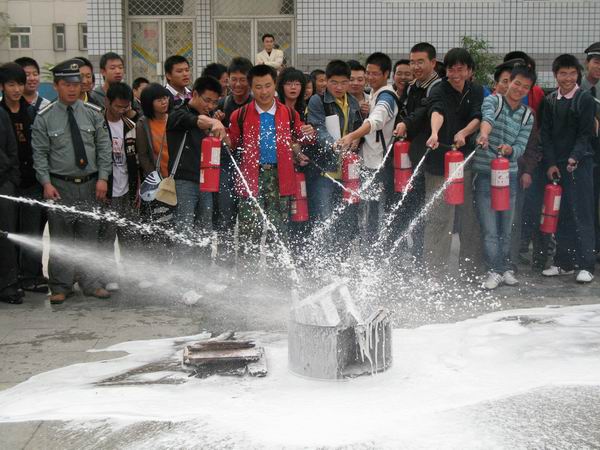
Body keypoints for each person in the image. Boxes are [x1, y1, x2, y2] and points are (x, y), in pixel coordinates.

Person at [31, 58, 112, 304]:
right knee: (61, 238)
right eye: (67, 84)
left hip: (90, 184)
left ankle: (91, 283)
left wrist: (103, 178)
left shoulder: (93, 113)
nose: (72, 89)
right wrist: (46, 183)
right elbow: (40, 154)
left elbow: (104, 148)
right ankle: (60, 286)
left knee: (90, 236)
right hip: (60, 185)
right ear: (56, 86)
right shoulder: (45, 117)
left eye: (76, 84)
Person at [228, 64, 314, 268]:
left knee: (279, 232)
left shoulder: (289, 113)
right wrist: (221, 133)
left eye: (268, 85)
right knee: (249, 231)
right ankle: (246, 276)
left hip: (280, 178)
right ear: (251, 88)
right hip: (251, 178)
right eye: (258, 87)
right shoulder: (240, 115)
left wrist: (309, 133)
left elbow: (303, 138)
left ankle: (279, 278)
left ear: (275, 84)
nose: (264, 91)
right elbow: (232, 143)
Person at [474, 66, 535, 289]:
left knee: (506, 228)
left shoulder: (527, 115)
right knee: (490, 229)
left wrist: (511, 150)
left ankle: (505, 268)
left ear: (529, 90)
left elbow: (521, 145)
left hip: (509, 177)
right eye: (516, 83)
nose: (519, 89)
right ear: (508, 82)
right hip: (485, 174)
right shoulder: (493, 101)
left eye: (525, 87)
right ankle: (494, 270)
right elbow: (488, 119)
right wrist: (484, 134)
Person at [424, 48, 483, 273]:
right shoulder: (438, 89)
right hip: (439, 164)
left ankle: (470, 268)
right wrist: (434, 133)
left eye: (461, 69)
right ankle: (434, 271)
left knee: (468, 216)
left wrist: (464, 132)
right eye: (451, 69)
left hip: (464, 163)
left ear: (469, 71)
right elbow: (436, 111)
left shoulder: (476, 90)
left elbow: (478, 116)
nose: (456, 74)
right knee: (439, 217)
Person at [541, 54, 596, 283]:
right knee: (561, 213)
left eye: (572, 73)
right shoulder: (549, 101)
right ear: (555, 75)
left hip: (580, 165)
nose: (568, 78)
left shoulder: (585, 99)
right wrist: (551, 163)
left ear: (578, 75)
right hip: (558, 166)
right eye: (563, 73)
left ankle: (586, 265)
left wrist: (575, 157)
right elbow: (545, 135)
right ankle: (564, 263)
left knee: (582, 213)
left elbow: (586, 134)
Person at [336, 52, 399, 254]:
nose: (370, 78)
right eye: (368, 73)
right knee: (366, 211)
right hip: (367, 162)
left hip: (378, 165)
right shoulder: (373, 94)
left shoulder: (387, 97)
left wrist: (352, 136)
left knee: (374, 213)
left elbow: (376, 121)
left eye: (375, 74)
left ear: (386, 74)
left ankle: (374, 255)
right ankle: (368, 251)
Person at [305, 60, 363, 261]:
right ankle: (324, 260)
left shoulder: (353, 102)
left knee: (346, 217)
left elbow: (358, 129)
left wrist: (356, 139)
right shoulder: (318, 101)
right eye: (334, 82)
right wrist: (334, 144)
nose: (339, 87)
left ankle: (342, 260)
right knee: (324, 216)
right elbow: (318, 128)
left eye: (344, 82)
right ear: (326, 81)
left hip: (348, 170)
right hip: (324, 170)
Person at [391, 42, 441, 262]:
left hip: (431, 157)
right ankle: (411, 251)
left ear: (433, 62)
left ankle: (422, 255)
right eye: (413, 62)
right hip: (412, 155)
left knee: (424, 209)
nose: (415, 66)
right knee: (409, 203)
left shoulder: (437, 87)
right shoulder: (413, 86)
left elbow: (423, 111)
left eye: (421, 62)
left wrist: (406, 123)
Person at [166, 76, 226, 261]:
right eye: (207, 100)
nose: (210, 105)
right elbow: (195, 121)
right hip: (184, 182)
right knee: (184, 230)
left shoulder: (211, 119)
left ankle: (203, 270)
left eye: (215, 102)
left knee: (205, 230)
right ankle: (183, 273)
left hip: (206, 183)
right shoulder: (178, 113)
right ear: (195, 94)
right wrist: (213, 122)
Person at [0, 63, 47, 293]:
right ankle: (10, 279)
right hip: (7, 181)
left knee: (32, 230)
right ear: (2, 87)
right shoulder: (1, 113)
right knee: (9, 231)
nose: (17, 89)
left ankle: (31, 275)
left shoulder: (31, 112)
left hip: (31, 181)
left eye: (20, 84)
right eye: (11, 84)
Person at [98, 82, 139, 291]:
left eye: (126, 107)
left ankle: (132, 275)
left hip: (127, 189)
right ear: (107, 102)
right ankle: (108, 276)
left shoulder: (131, 126)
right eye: (118, 106)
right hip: (107, 189)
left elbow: (136, 160)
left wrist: (137, 188)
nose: (122, 110)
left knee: (130, 235)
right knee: (106, 235)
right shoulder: (98, 124)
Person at [213, 56, 253, 266]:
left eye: (242, 80)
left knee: (248, 221)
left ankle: (246, 267)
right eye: (233, 79)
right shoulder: (221, 104)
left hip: (249, 167)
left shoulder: (256, 105)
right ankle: (224, 266)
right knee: (225, 216)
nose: (237, 84)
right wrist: (215, 120)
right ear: (227, 79)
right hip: (225, 166)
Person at [136, 83, 174, 232]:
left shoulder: (174, 118)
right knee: (161, 223)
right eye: (159, 100)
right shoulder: (143, 124)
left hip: (177, 179)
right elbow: (143, 155)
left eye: (165, 98)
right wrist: (156, 178)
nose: (164, 102)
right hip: (158, 183)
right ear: (149, 104)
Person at [0, 99, 23, 304]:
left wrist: (11, 180)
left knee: (6, 236)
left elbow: (12, 148)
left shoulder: (2, 114)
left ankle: (8, 285)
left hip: (3, 183)